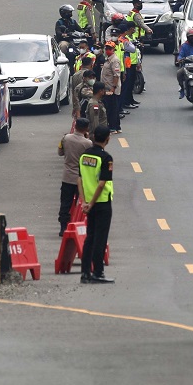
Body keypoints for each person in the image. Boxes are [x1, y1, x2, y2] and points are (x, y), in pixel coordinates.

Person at [77, 124, 115, 284]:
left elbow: (79, 179)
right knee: (100, 239)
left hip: (88, 203)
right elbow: (101, 184)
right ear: (108, 139)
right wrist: (92, 203)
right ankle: (98, 272)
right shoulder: (106, 158)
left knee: (89, 238)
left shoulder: (84, 156)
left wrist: (84, 202)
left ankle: (85, 273)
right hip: (101, 203)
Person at [58, 117, 92, 236]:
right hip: (81, 178)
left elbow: (60, 152)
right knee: (82, 203)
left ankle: (63, 227)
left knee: (65, 203)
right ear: (86, 129)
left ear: (75, 126)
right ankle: (81, 227)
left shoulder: (66, 138)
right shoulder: (88, 143)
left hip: (67, 176)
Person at [99, 40, 122, 133]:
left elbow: (116, 75)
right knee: (114, 108)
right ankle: (117, 127)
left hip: (111, 88)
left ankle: (112, 127)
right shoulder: (108, 59)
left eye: (109, 49)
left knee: (111, 109)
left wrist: (113, 88)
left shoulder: (114, 60)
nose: (107, 50)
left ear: (113, 49)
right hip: (108, 88)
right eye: (106, 48)